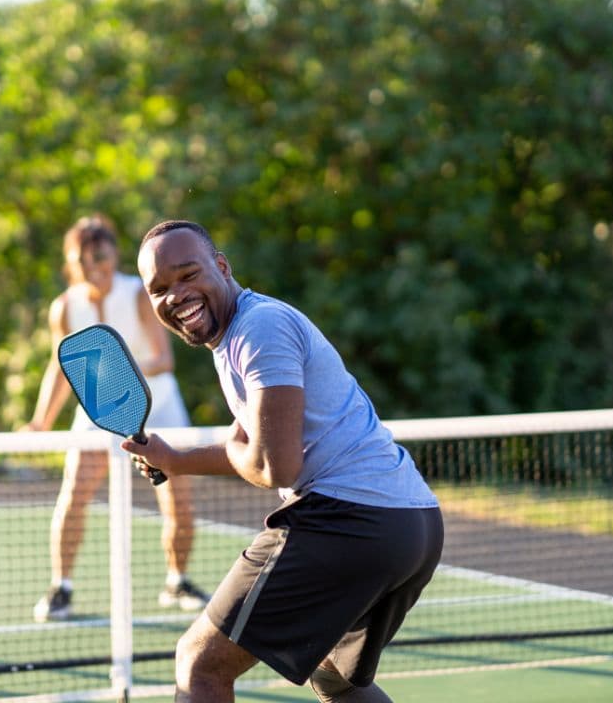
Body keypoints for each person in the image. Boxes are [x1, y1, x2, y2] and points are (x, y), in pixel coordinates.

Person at [125, 220, 444, 702]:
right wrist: (173, 459)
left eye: (188, 275)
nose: (176, 295)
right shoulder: (236, 335)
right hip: (412, 524)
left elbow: (276, 467)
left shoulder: (260, 329)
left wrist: (230, 452)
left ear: (223, 266)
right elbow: (247, 442)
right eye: (160, 289)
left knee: (199, 663)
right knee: (333, 674)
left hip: (350, 519)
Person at [25, 214, 208, 622]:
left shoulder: (139, 294)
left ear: (112, 256)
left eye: (101, 257)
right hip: (96, 414)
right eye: (84, 260)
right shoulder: (64, 308)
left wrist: (121, 379)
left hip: (158, 406)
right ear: (73, 263)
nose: (94, 266)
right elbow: (60, 368)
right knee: (74, 493)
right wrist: (40, 421)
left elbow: (163, 358)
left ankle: (177, 580)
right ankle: (62, 588)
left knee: (177, 498)